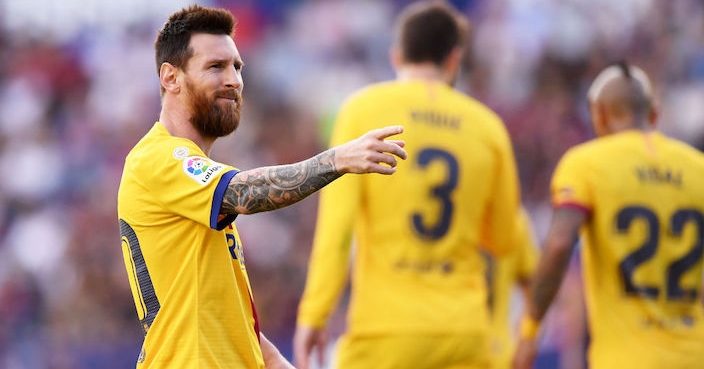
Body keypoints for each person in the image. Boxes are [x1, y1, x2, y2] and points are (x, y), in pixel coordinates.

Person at [116, 5, 407, 369]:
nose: (234, 80)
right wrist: (335, 160)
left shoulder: (193, 185)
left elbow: (235, 323)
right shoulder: (157, 158)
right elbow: (243, 194)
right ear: (171, 78)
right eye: (215, 67)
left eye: (237, 67)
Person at [293, 1, 522, 368]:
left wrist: (315, 314)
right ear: (454, 60)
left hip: (385, 333)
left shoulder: (362, 111)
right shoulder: (488, 128)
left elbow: (337, 231)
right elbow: (504, 238)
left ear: (396, 56)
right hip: (464, 332)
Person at [513, 62, 704, 369]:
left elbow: (560, 244)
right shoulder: (698, 168)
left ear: (598, 114)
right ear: (653, 115)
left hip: (626, 359)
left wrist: (529, 331)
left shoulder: (587, 164)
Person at [484, 208, 539, 369]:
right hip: (499, 352)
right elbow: (535, 289)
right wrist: (528, 337)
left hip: (445, 348)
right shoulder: (515, 218)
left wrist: (526, 338)